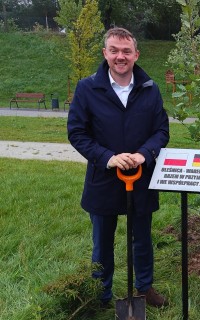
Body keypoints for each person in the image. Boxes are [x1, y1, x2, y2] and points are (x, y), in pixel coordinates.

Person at [67, 27, 170, 308]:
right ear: (105, 53)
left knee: (142, 239)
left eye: (126, 51)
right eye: (114, 50)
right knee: (102, 243)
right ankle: (101, 294)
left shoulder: (150, 88)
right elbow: (76, 132)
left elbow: (162, 130)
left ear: (136, 54)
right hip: (104, 178)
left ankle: (144, 288)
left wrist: (144, 154)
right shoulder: (87, 88)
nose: (120, 56)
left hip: (141, 177)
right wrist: (108, 157)